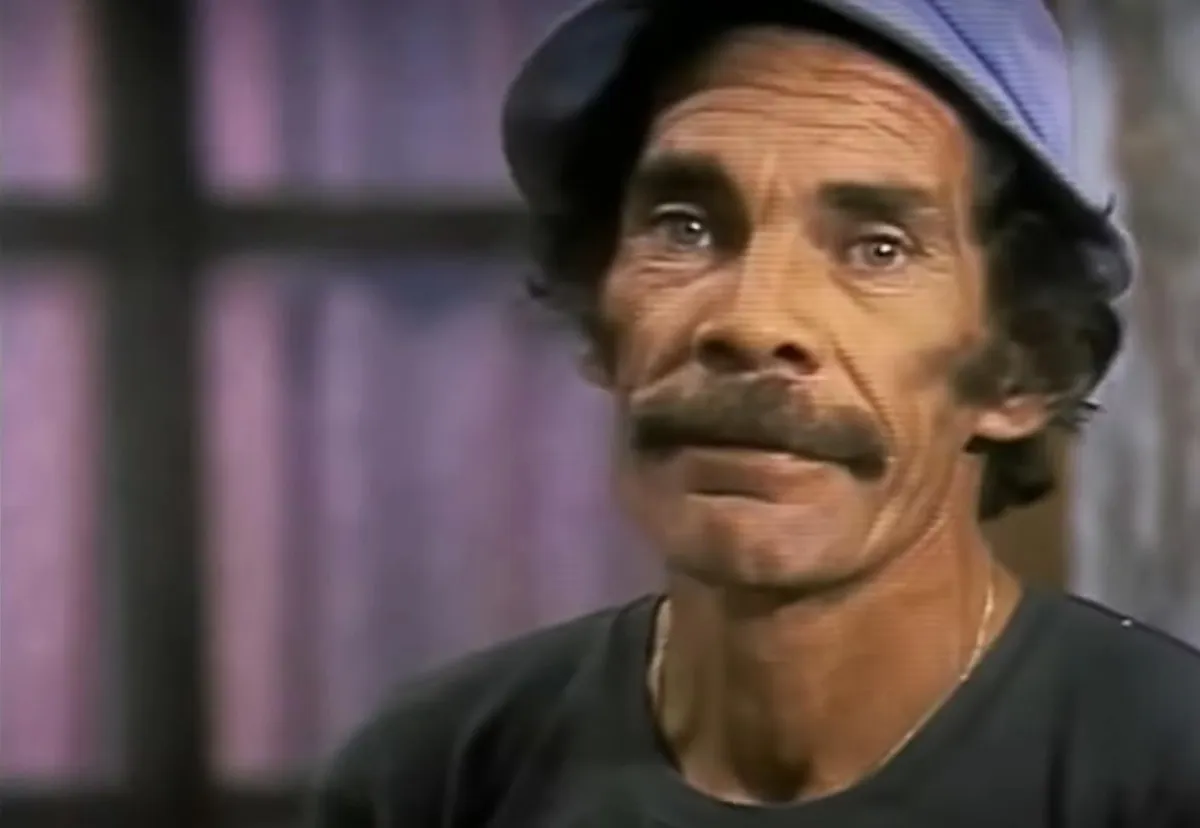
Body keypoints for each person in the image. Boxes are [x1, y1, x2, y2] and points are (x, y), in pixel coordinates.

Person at [308, 1, 1200, 825]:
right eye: (685, 227)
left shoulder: (1163, 775)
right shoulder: (433, 782)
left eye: (878, 248)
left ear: (1018, 371)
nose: (752, 320)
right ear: (603, 317)